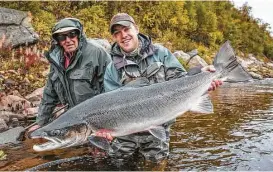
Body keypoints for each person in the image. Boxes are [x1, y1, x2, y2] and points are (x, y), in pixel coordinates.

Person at [100, 13, 222, 161]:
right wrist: (104, 130)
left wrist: (201, 75)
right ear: (114, 38)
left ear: (136, 29)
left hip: (158, 127)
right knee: (116, 165)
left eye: (126, 29)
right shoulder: (111, 68)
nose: (123, 35)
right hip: (125, 135)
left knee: (157, 166)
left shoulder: (160, 53)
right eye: (117, 33)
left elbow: (181, 80)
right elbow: (109, 107)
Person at [29, 18, 111, 131]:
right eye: (62, 37)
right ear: (57, 40)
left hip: (99, 117)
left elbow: (111, 87)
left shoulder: (97, 53)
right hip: (75, 119)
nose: (68, 40)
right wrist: (40, 122)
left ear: (79, 35)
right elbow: (49, 94)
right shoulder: (56, 60)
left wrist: (108, 122)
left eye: (72, 34)